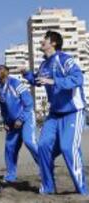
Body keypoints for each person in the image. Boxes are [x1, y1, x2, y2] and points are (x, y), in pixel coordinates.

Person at [19, 31, 88, 195]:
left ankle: (83, 191)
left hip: (73, 111)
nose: (41, 41)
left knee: (67, 147)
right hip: (54, 114)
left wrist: (54, 81)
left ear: (54, 43)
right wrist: (26, 74)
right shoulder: (43, 64)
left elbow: (78, 78)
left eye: (45, 38)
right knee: (42, 146)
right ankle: (48, 187)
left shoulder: (64, 59)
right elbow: (38, 81)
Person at [0, 65, 38, 183]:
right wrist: (5, 121)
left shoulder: (16, 83)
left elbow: (29, 103)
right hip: (12, 124)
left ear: (7, 72)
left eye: (2, 69)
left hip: (26, 118)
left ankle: (45, 167)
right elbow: (3, 107)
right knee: (9, 147)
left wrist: (21, 119)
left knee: (29, 142)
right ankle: (11, 175)